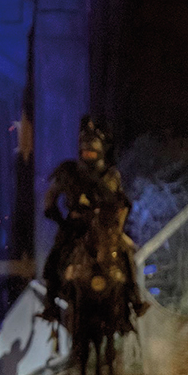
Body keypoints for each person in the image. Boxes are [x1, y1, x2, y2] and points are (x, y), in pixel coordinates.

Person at [40, 116, 147, 323]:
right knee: (54, 259)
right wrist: (57, 217)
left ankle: (134, 300)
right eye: (85, 147)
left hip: (105, 228)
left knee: (126, 255)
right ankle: (50, 305)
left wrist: (116, 229)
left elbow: (122, 204)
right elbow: (50, 196)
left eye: (92, 148)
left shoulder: (110, 175)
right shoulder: (68, 171)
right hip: (74, 226)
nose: (88, 151)